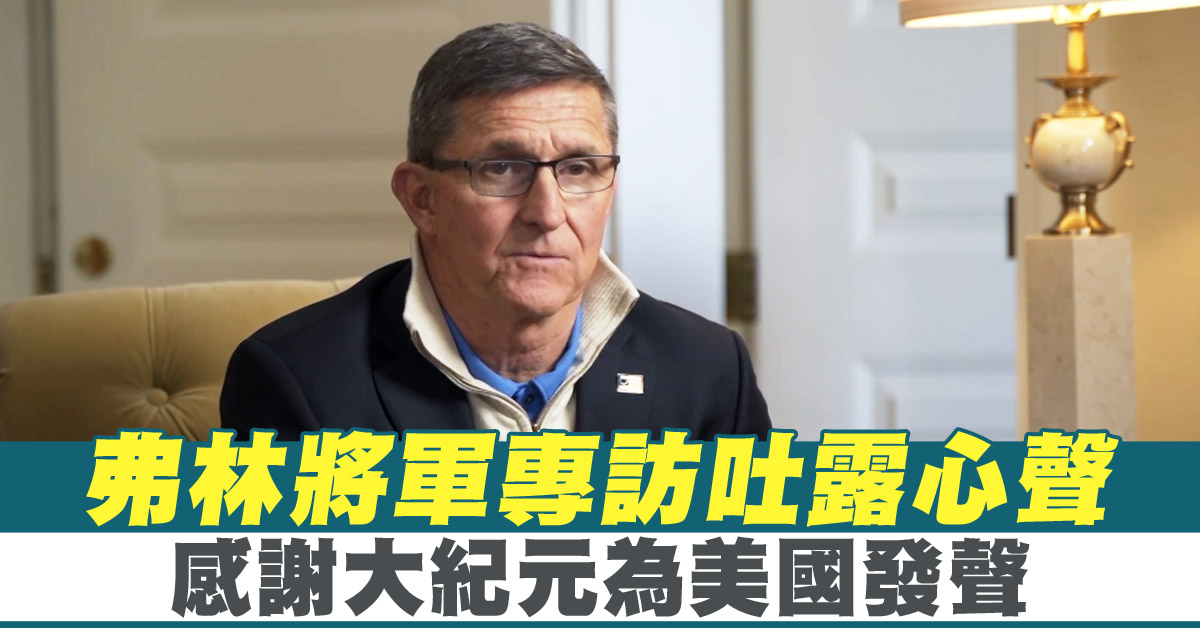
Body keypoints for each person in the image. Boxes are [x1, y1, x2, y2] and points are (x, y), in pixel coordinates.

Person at [220, 22, 771, 440]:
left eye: (578, 169)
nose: (548, 213)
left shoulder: (707, 368)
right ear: (422, 198)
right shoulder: (298, 379)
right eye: (502, 169)